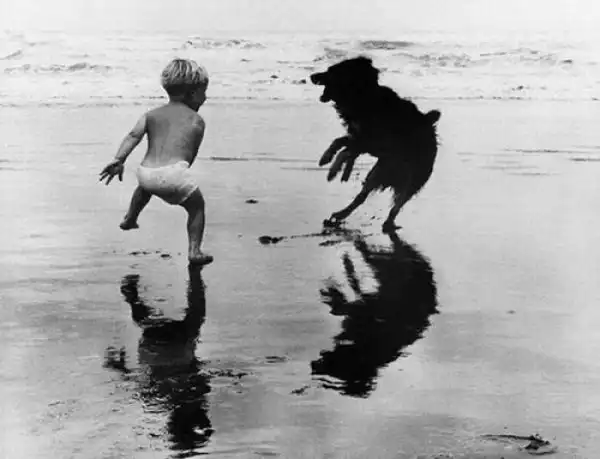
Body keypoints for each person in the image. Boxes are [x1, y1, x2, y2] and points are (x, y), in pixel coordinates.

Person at [99, 58, 213, 266]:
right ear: (192, 93)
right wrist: (178, 175)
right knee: (197, 207)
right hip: (174, 175)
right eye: (203, 93)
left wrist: (119, 159)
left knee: (145, 188)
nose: (205, 98)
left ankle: (130, 218)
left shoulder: (150, 115)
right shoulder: (196, 120)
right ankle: (194, 251)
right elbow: (190, 155)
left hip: (145, 173)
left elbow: (133, 136)